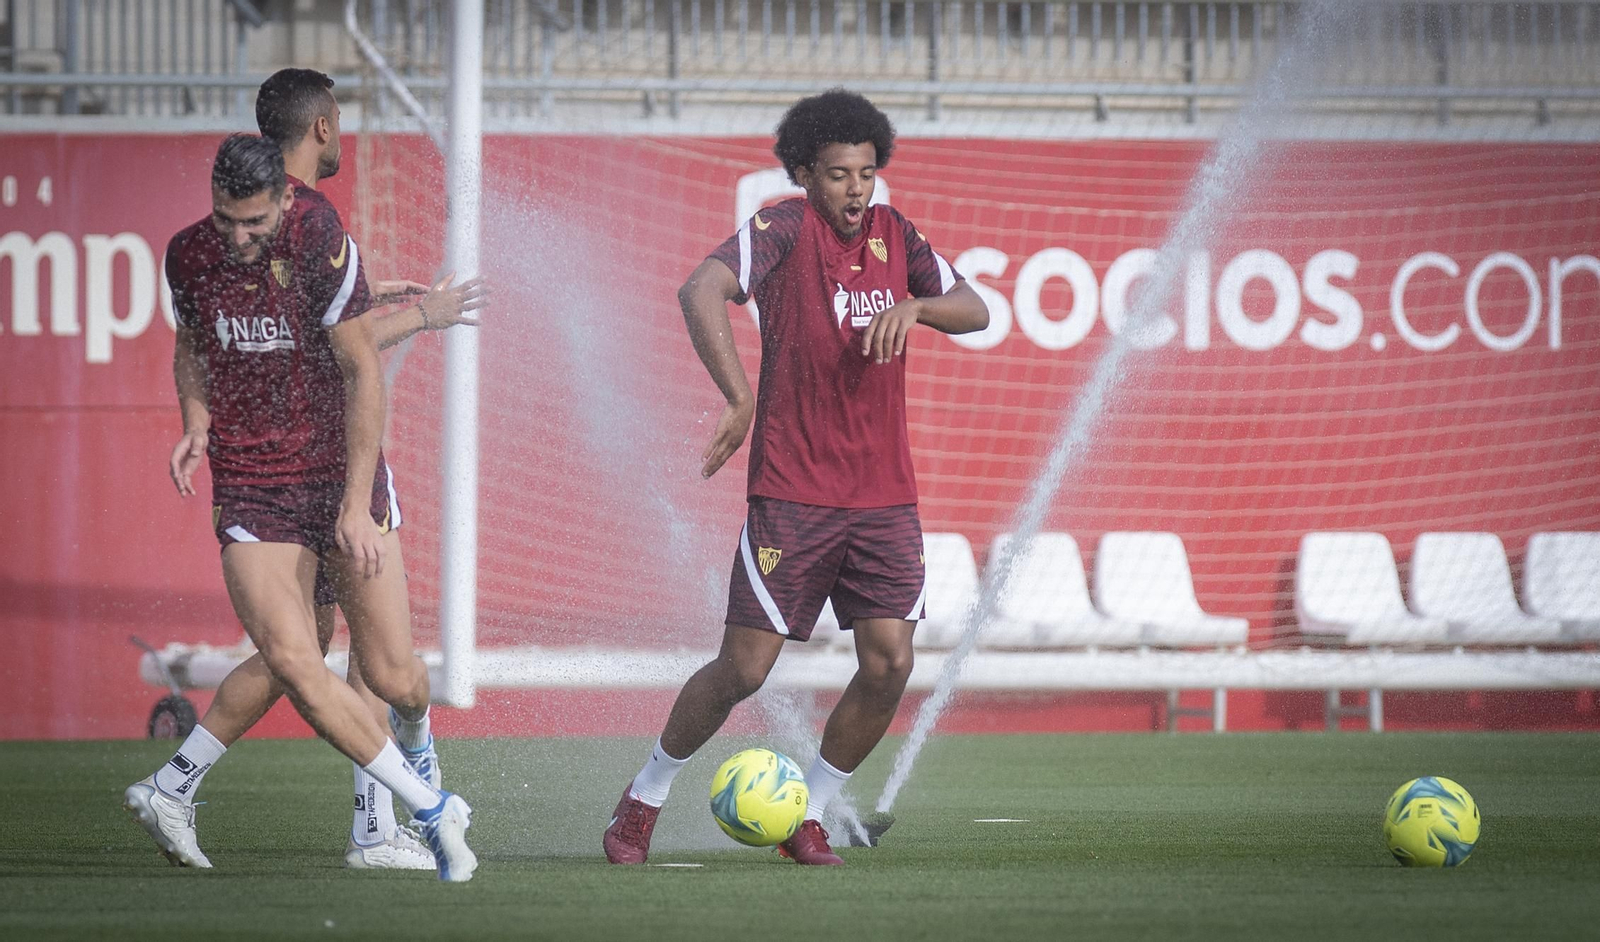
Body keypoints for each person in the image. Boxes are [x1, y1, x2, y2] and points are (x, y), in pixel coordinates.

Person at [602, 89, 989, 865]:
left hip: (883, 499)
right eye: (840, 174)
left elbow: (975, 309)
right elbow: (699, 288)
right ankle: (640, 801)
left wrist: (916, 306)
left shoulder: (895, 233)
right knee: (745, 668)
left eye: (867, 174)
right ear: (806, 172)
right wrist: (739, 395)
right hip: (793, 492)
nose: (856, 190)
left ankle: (806, 813)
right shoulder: (782, 227)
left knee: (890, 664)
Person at [122, 133, 477, 882]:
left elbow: (355, 362)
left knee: (392, 675)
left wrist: (354, 506)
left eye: (252, 222)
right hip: (254, 485)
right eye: (226, 220)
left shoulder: (319, 232)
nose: (238, 238)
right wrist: (194, 420)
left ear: (284, 195)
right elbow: (191, 345)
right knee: (295, 655)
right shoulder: (191, 254)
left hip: (334, 477)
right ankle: (393, 821)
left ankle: (403, 788)